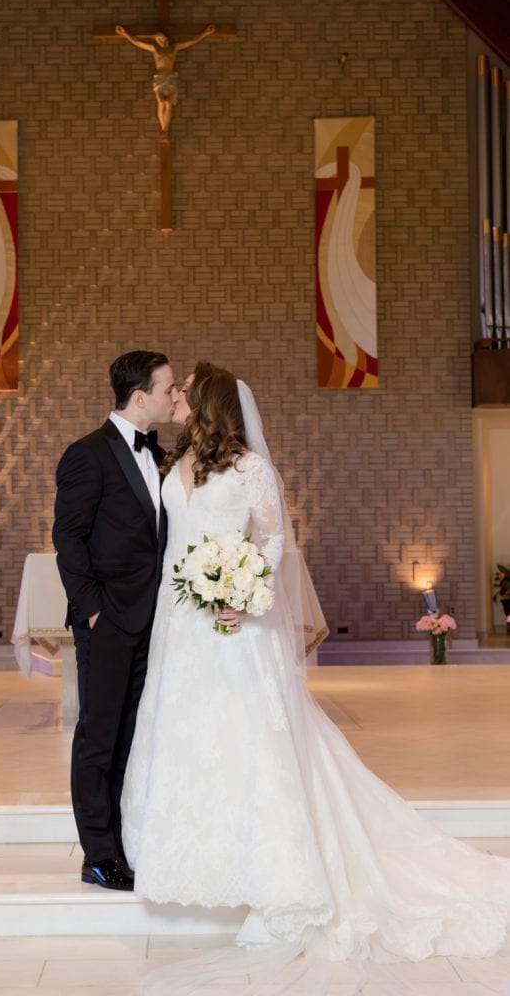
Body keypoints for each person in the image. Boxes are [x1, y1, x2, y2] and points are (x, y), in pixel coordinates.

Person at [121, 362, 510, 988]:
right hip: (178, 622)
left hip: (229, 623)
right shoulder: (175, 464)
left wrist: (240, 591)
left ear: (210, 401)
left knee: (250, 738)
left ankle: (273, 870)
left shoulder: (253, 470)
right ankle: (191, 859)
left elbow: (272, 544)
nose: (179, 396)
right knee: (186, 730)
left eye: (187, 389)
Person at [52, 350, 179, 891]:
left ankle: (126, 844)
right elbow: (68, 538)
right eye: (169, 389)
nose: (175, 399)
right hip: (108, 622)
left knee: (132, 736)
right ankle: (98, 855)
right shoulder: (88, 454)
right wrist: (94, 611)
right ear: (139, 397)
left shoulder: (161, 455)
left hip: (153, 621)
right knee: (99, 737)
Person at [115, 24, 216, 135]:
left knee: (168, 103)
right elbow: (137, 42)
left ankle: (165, 129)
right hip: (159, 78)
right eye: (157, 39)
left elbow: (191, 41)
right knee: (161, 102)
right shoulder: (154, 49)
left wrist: (205, 33)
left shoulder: (174, 48)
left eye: (160, 38)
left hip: (170, 78)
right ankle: (163, 127)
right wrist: (125, 34)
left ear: (165, 38)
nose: (159, 41)